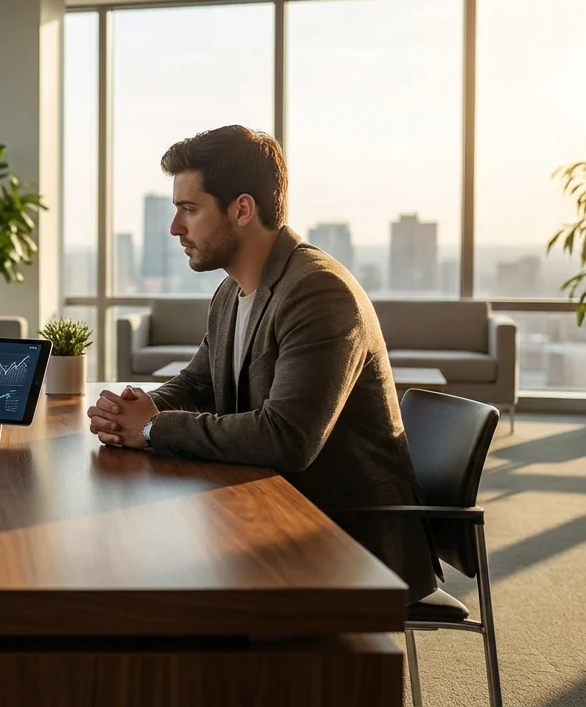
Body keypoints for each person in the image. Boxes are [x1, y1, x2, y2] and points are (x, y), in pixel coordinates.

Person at [86, 125, 439, 602]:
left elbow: (286, 438)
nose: (175, 228)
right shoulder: (232, 291)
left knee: (160, 584)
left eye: (189, 209)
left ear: (242, 210)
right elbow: (199, 381)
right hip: (277, 511)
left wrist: (152, 429)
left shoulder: (319, 292)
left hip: (347, 538)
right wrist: (138, 406)